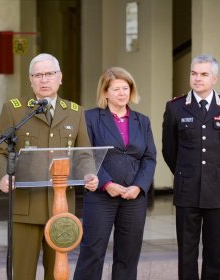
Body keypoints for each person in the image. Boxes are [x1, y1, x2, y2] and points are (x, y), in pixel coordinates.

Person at [0, 53, 99, 280]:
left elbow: (84, 153)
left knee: (57, 274)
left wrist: (89, 173)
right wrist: (3, 177)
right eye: (38, 75)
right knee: (23, 274)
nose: (44, 79)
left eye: (49, 74)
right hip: (26, 207)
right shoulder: (15, 110)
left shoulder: (75, 112)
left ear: (60, 78)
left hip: (61, 208)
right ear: (30, 80)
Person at [162, 54, 220, 279]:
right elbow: (170, 151)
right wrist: (187, 173)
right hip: (187, 190)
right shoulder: (175, 108)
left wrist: (215, 174)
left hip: (218, 190)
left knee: (213, 251)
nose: (198, 79)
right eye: (194, 73)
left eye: (204, 74)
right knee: (186, 252)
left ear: (214, 78)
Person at [74, 67, 157, 280]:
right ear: (105, 92)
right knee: (92, 252)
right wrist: (107, 183)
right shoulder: (90, 118)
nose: (122, 93)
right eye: (116, 89)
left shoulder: (143, 120)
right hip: (101, 196)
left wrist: (138, 186)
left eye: (126, 88)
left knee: (128, 256)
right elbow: (86, 155)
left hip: (133, 197)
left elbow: (149, 157)